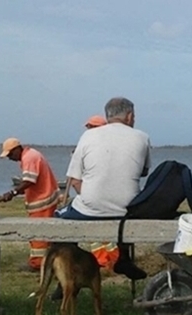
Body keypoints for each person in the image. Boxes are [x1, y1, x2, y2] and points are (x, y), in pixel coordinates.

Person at [61, 97, 152, 280]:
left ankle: (68, 267)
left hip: (90, 209)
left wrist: (93, 196)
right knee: (129, 204)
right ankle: (124, 258)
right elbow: (143, 172)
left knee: (60, 219)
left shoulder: (87, 136)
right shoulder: (142, 137)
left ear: (107, 116)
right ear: (129, 116)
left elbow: (75, 178)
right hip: (127, 210)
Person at [0, 138, 61, 271]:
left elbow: (29, 181)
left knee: (39, 234)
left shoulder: (29, 157)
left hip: (43, 200)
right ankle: (48, 262)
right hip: (44, 198)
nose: (10, 158)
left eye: (10, 155)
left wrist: (13, 192)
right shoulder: (31, 155)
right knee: (44, 234)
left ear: (17, 149)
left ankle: (38, 264)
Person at [75, 114, 119, 269]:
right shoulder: (114, 144)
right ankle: (108, 259)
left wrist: (85, 197)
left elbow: (75, 178)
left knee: (100, 232)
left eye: (90, 127)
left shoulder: (89, 144)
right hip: (108, 198)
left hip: (97, 199)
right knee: (103, 233)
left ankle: (106, 259)